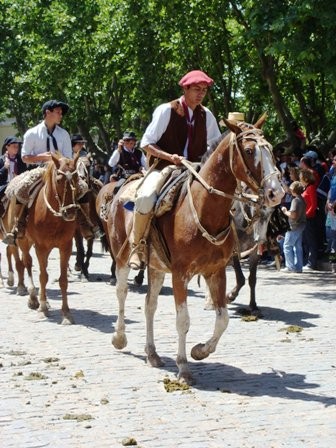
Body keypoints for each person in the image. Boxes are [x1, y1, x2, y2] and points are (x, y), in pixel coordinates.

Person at [128, 69, 221, 270]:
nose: (201, 94)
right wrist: (170, 157)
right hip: (164, 166)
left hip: (196, 168)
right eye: (196, 89)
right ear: (185, 89)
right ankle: (138, 247)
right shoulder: (166, 110)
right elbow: (146, 143)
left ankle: (227, 246)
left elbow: (215, 146)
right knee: (145, 197)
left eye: (204, 90)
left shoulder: (207, 115)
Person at [281, 181, 306, 273]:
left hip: (294, 226)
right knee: (297, 247)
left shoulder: (295, 200)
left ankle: (290, 267)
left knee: (287, 246)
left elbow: (293, 215)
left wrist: (285, 211)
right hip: (301, 225)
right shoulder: (302, 199)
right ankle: (299, 267)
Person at [0, 136, 27, 216]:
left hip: (18, 185)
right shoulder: (1, 160)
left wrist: (18, 177)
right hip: (4, 186)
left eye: (17, 146)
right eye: (14, 146)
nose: (16, 148)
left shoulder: (21, 161)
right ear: (7, 147)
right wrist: (4, 168)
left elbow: (25, 173)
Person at [300, 168, 319, 270]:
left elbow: (313, 205)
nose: (300, 179)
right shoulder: (306, 188)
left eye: (301, 177)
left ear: (306, 178)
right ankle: (307, 261)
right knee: (305, 241)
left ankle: (312, 263)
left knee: (311, 241)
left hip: (309, 219)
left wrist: (306, 215)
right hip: (304, 218)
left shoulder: (311, 188)